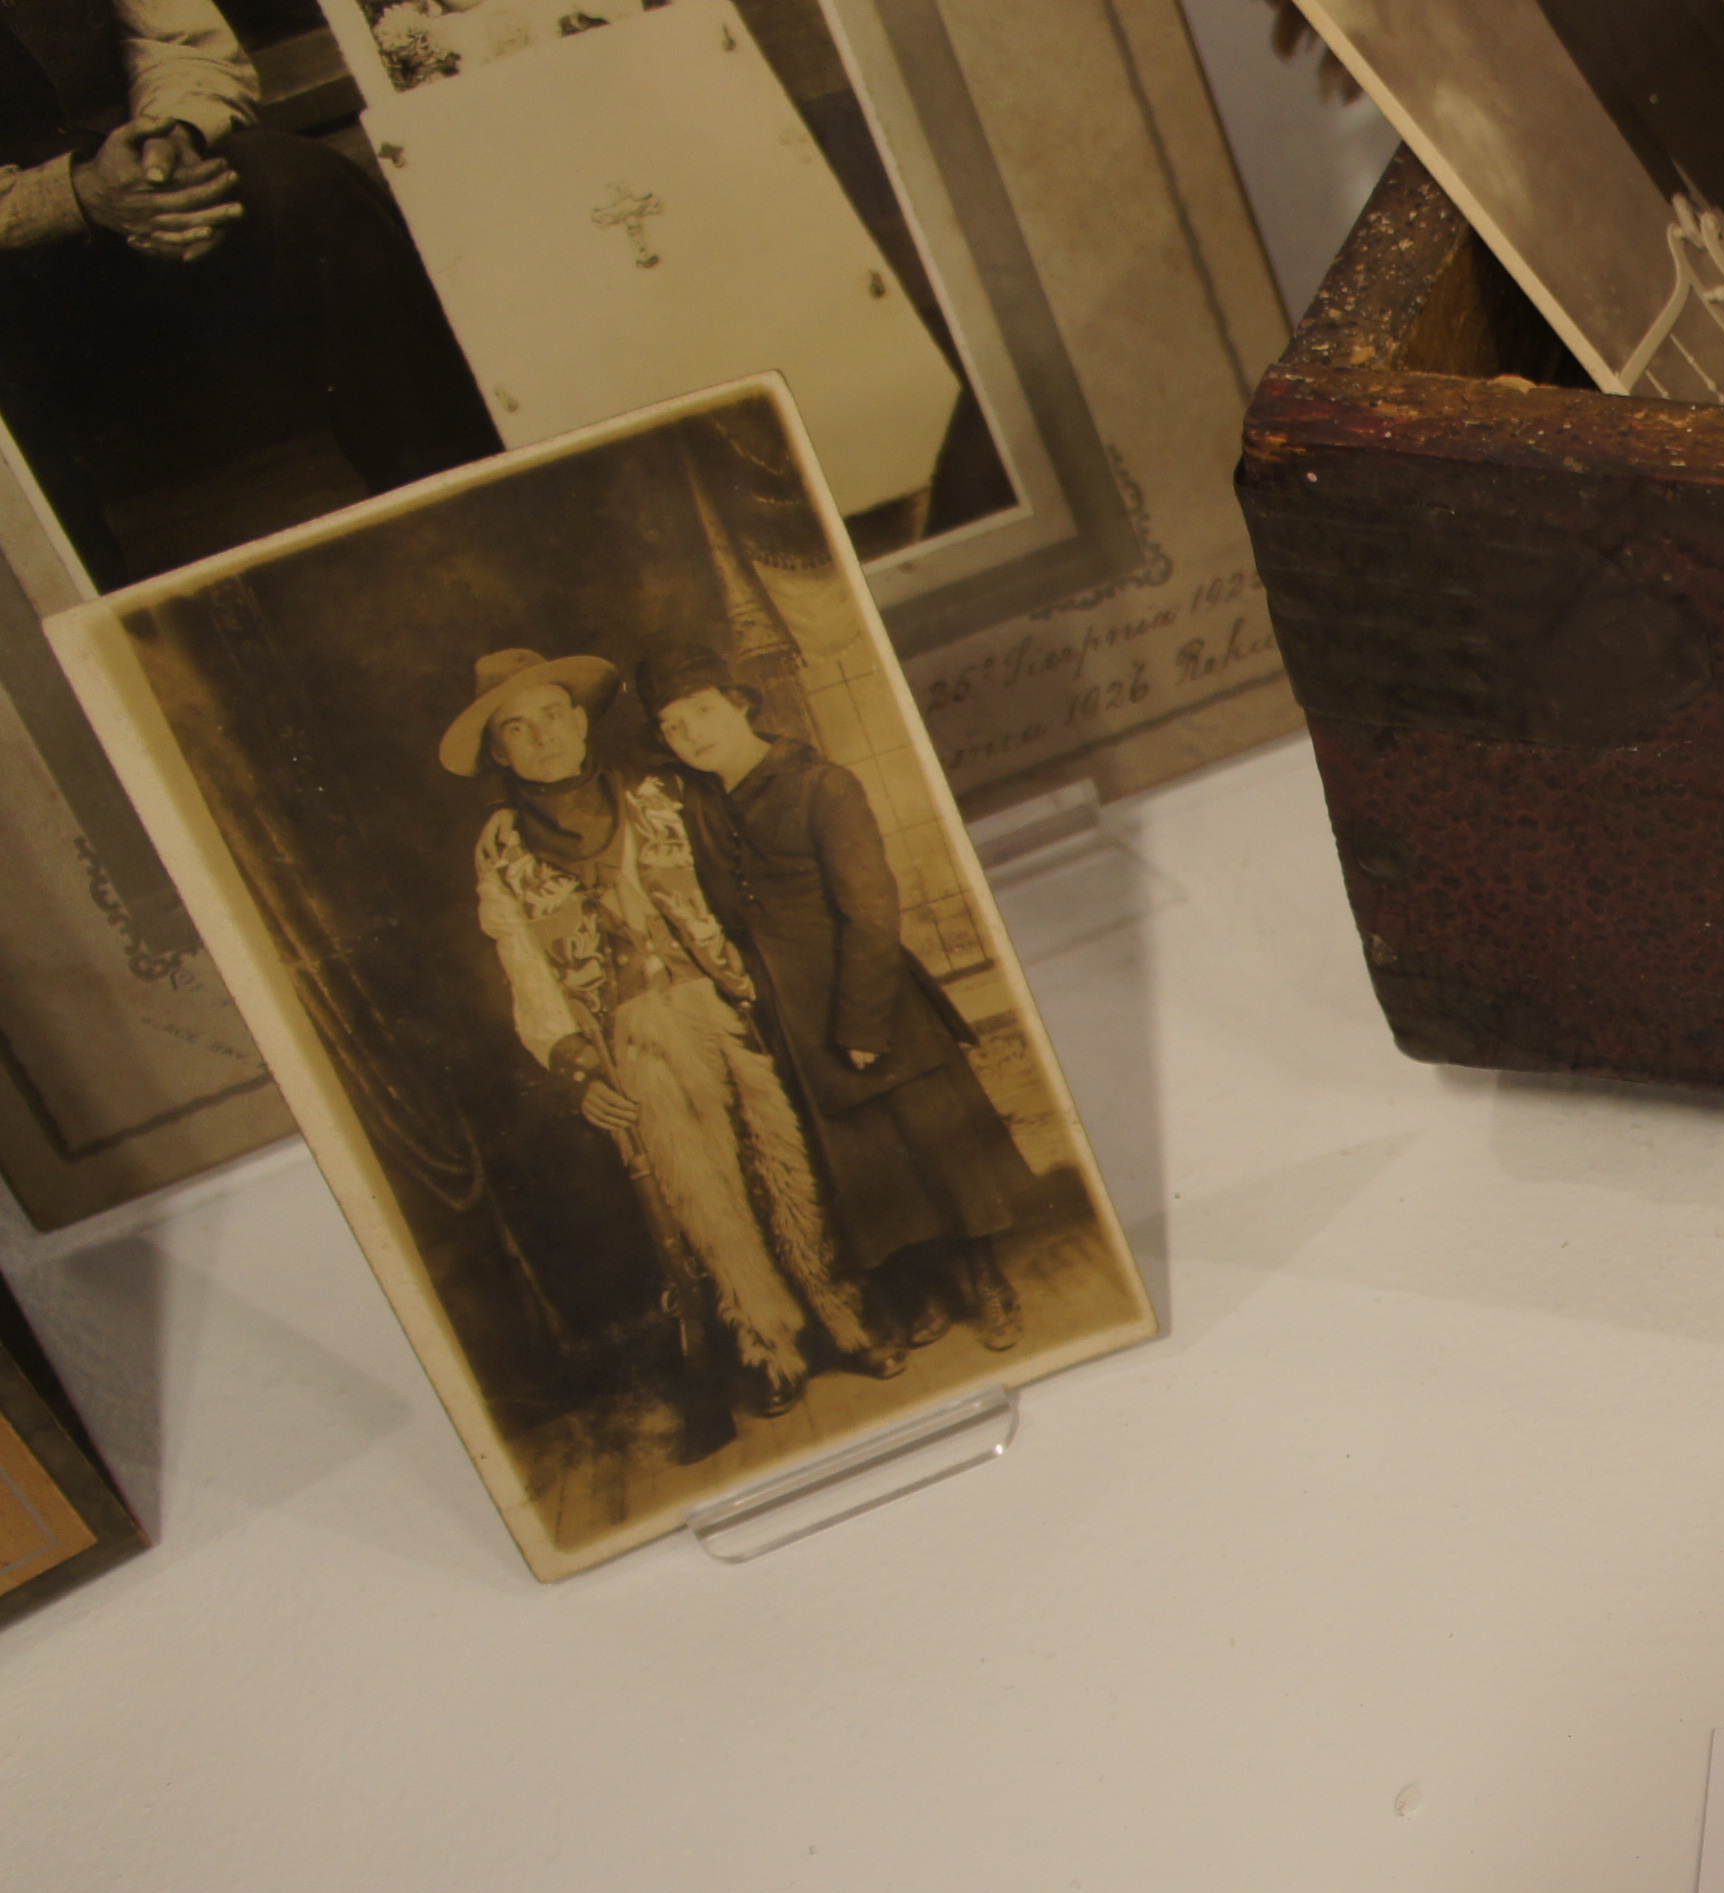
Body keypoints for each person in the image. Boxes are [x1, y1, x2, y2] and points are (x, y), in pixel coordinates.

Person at [453, 646, 885, 1447]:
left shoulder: (658, 792)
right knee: (702, 1196)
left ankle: (844, 1315)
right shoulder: (502, 848)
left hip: (725, 1006)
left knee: (784, 1157)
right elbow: (525, 972)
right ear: (499, 752)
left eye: (553, 715)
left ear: (581, 721)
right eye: (518, 728)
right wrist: (575, 1068)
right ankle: (769, 1345)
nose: (543, 737)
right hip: (628, 1039)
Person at [0, 0, 497, 585]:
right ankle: (94, 622)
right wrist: (73, 195)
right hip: (19, 263)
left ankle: (468, 515)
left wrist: (171, 136)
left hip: (135, 187)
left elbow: (178, 41)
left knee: (299, 186)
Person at [641, 648, 1037, 1353]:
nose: (690, 733)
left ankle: (987, 1280)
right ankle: (926, 1288)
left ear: (740, 705)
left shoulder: (822, 786)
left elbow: (870, 908)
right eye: (672, 726)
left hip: (868, 995)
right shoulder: (694, 806)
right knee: (867, 1167)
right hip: (787, 1016)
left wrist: (860, 1020)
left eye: (701, 711)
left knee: (937, 1150)